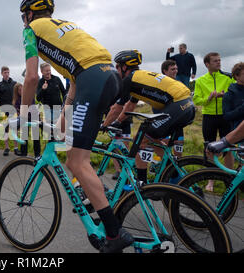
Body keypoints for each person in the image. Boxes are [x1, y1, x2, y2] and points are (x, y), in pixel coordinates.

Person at [19, 0, 133, 252]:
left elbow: (31, 77)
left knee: (75, 161)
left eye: (23, 17)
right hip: (107, 76)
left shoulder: (32, 29)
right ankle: (97, 193)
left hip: (92, 79)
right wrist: (60, 126)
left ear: (28, 14)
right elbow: (73, 89)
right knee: (76, 153)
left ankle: (114, 234)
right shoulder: (67, 28)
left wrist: (24, 112)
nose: (24, 22)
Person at [102, 50, 195, 188]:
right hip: (187, 106)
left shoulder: (129, 80)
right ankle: (174, 174)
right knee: (153, 140)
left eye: (117, 66)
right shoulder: (139, 78)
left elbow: (117, 108)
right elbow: (130, 106)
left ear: (124, 67)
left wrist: (104, 125)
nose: (116, 70)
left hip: (179, 106)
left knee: (141, 139)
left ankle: (142, 183)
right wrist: (118, 122)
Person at [193, 52, 235, 191]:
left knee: (228, 148)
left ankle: (229, 180)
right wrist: (209, 99)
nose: (219, 63)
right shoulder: (200, 81)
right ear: (207, 64)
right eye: (215, 61)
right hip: (209, 117)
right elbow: (196, 100)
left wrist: (224, 95)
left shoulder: (228, 77)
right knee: (209, 149)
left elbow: (235, 92)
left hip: (225, 116)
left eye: (219, 60)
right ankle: (210, 181)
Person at [12, 82, 40, 157]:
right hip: (24, 118)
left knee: (36, 136)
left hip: (34, 117)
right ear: (17, 92)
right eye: (20, 90)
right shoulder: (17, 100)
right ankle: (23, 153)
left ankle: (37, 154)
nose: (22, 91)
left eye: (23, 89)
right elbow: (19, 112)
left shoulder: (29, 96)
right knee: (24, 135)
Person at [0, 66, 17, 156]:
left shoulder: (14, 83)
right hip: (4, 110)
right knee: (6, 129)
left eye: (8, 72)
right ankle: (6, 147)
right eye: (5, 72)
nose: (7, 74)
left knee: (15, 128)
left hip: (14, 109)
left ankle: (16, 148)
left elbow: (19, 95)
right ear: (2, 73)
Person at [223, 62, 244, 130]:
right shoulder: (229, 95)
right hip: (238, 135)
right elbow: (226, 116)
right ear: (237, 76)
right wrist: (242, 108)